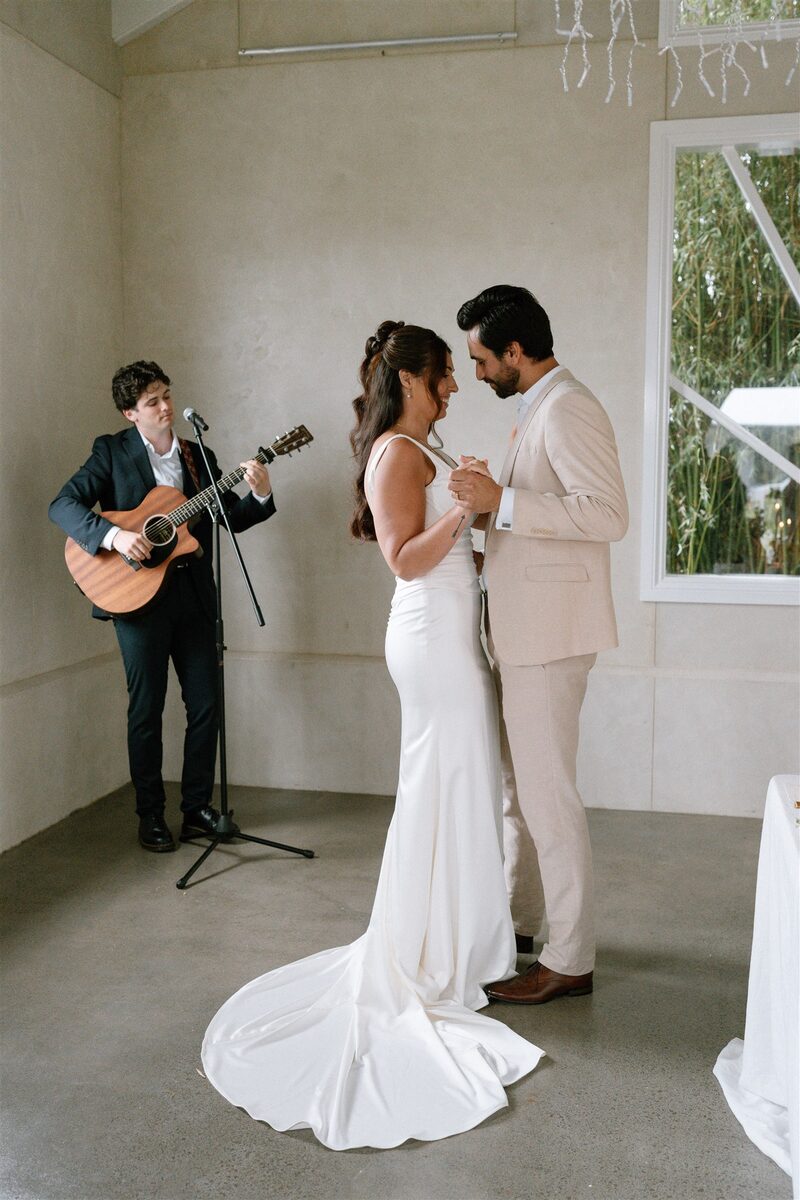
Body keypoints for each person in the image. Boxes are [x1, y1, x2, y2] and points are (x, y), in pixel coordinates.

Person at [201, 322, 543, 1151]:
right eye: (444, 375)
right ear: (412, 379)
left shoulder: (424, 448)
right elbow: (402, 558)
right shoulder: (395, 452)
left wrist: (471, 512)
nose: (454, 386)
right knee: (442, 788)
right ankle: (430, 953)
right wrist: (461, 511)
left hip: (451, 636)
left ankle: (461, 944)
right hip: (428, 642)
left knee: (461, 787)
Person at [449, 285, 628, 1005]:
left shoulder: (569, 406)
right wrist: (487, 519)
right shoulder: (536, 406)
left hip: (552, 636)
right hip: (523, 629)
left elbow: (607, 515)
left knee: (548, 799)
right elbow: (536, 522)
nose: (477, 373)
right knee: (520, 793)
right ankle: (521, 927)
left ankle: (570, 958)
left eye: (482, 359)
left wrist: (502, 502)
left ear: (516, 351)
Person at [49, 361, 274, 852]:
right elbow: (62, 505)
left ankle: (196, 809)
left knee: (207, 705)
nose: (165, 406)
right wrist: (115, 536)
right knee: (146, 710)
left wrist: (259, 493)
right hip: (135, 601)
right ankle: (150, 814)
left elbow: (230, 518)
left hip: (194, 598)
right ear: (130, 413)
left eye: (167, 395)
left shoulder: (199, 456)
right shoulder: (111, 452)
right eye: (152, 401)